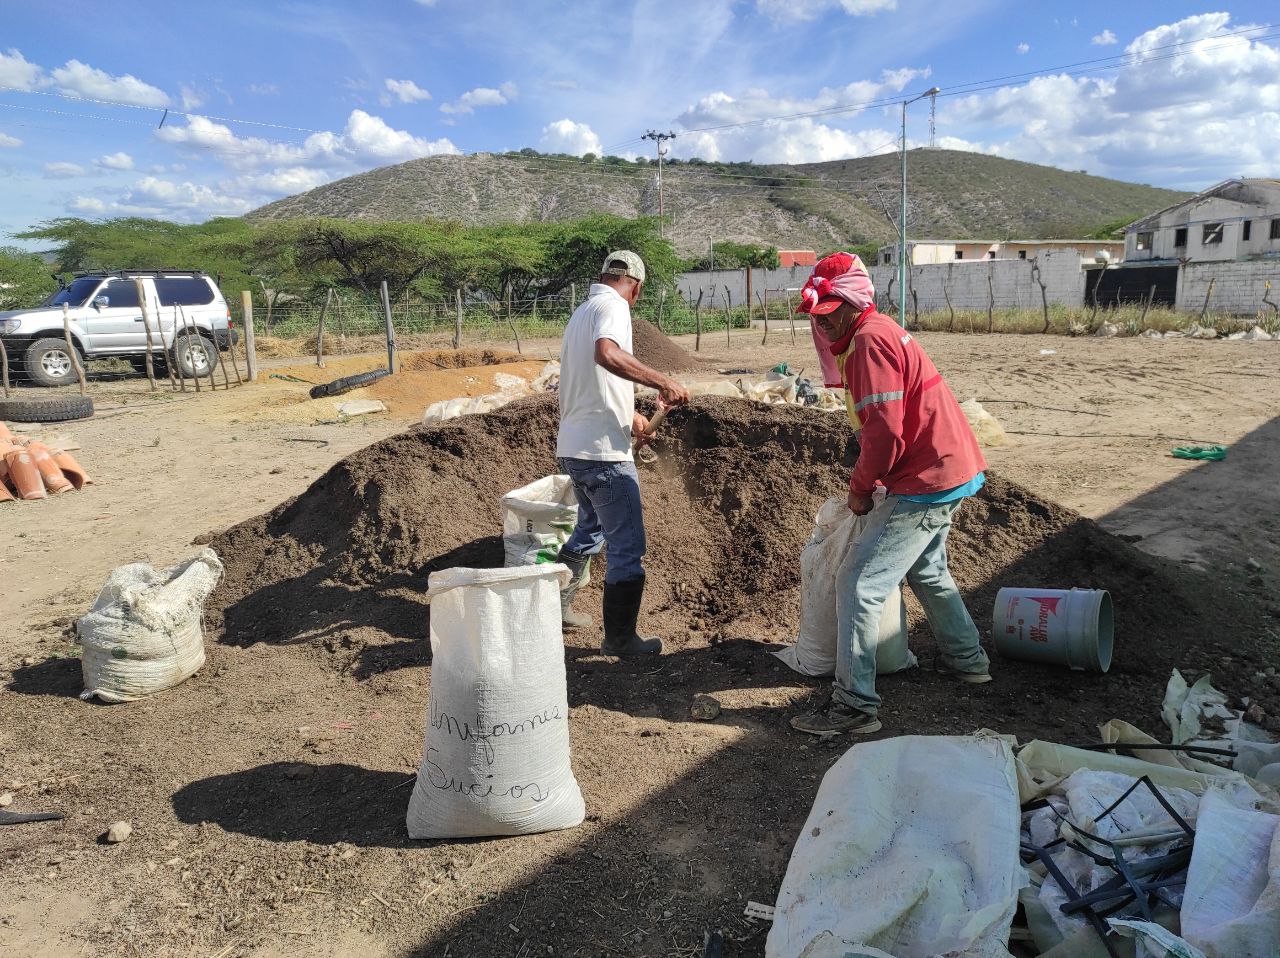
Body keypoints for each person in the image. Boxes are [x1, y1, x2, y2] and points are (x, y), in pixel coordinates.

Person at [789, 252, 992, 735]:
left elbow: (884, 431)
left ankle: (855, 707)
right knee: (929, 570)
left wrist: (860, 488)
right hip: (948, 466)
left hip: (925, 479)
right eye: (818, 317)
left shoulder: (867, 343)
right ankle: (970, 662)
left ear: (851, 304)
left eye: (830, 313)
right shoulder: (876, 330)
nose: (825, 324)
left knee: (858, 585)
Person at [555, 251, 690, 656]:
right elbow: (608, 355)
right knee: (627, 545)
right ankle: (620, 639)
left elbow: (590, 377)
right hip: (603, 454)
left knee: (591, 528)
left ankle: (555, 607)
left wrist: (630, 414)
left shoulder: (583, 311)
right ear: (636, 285)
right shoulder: (614, 306)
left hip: (575, 447)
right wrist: (662, 380)